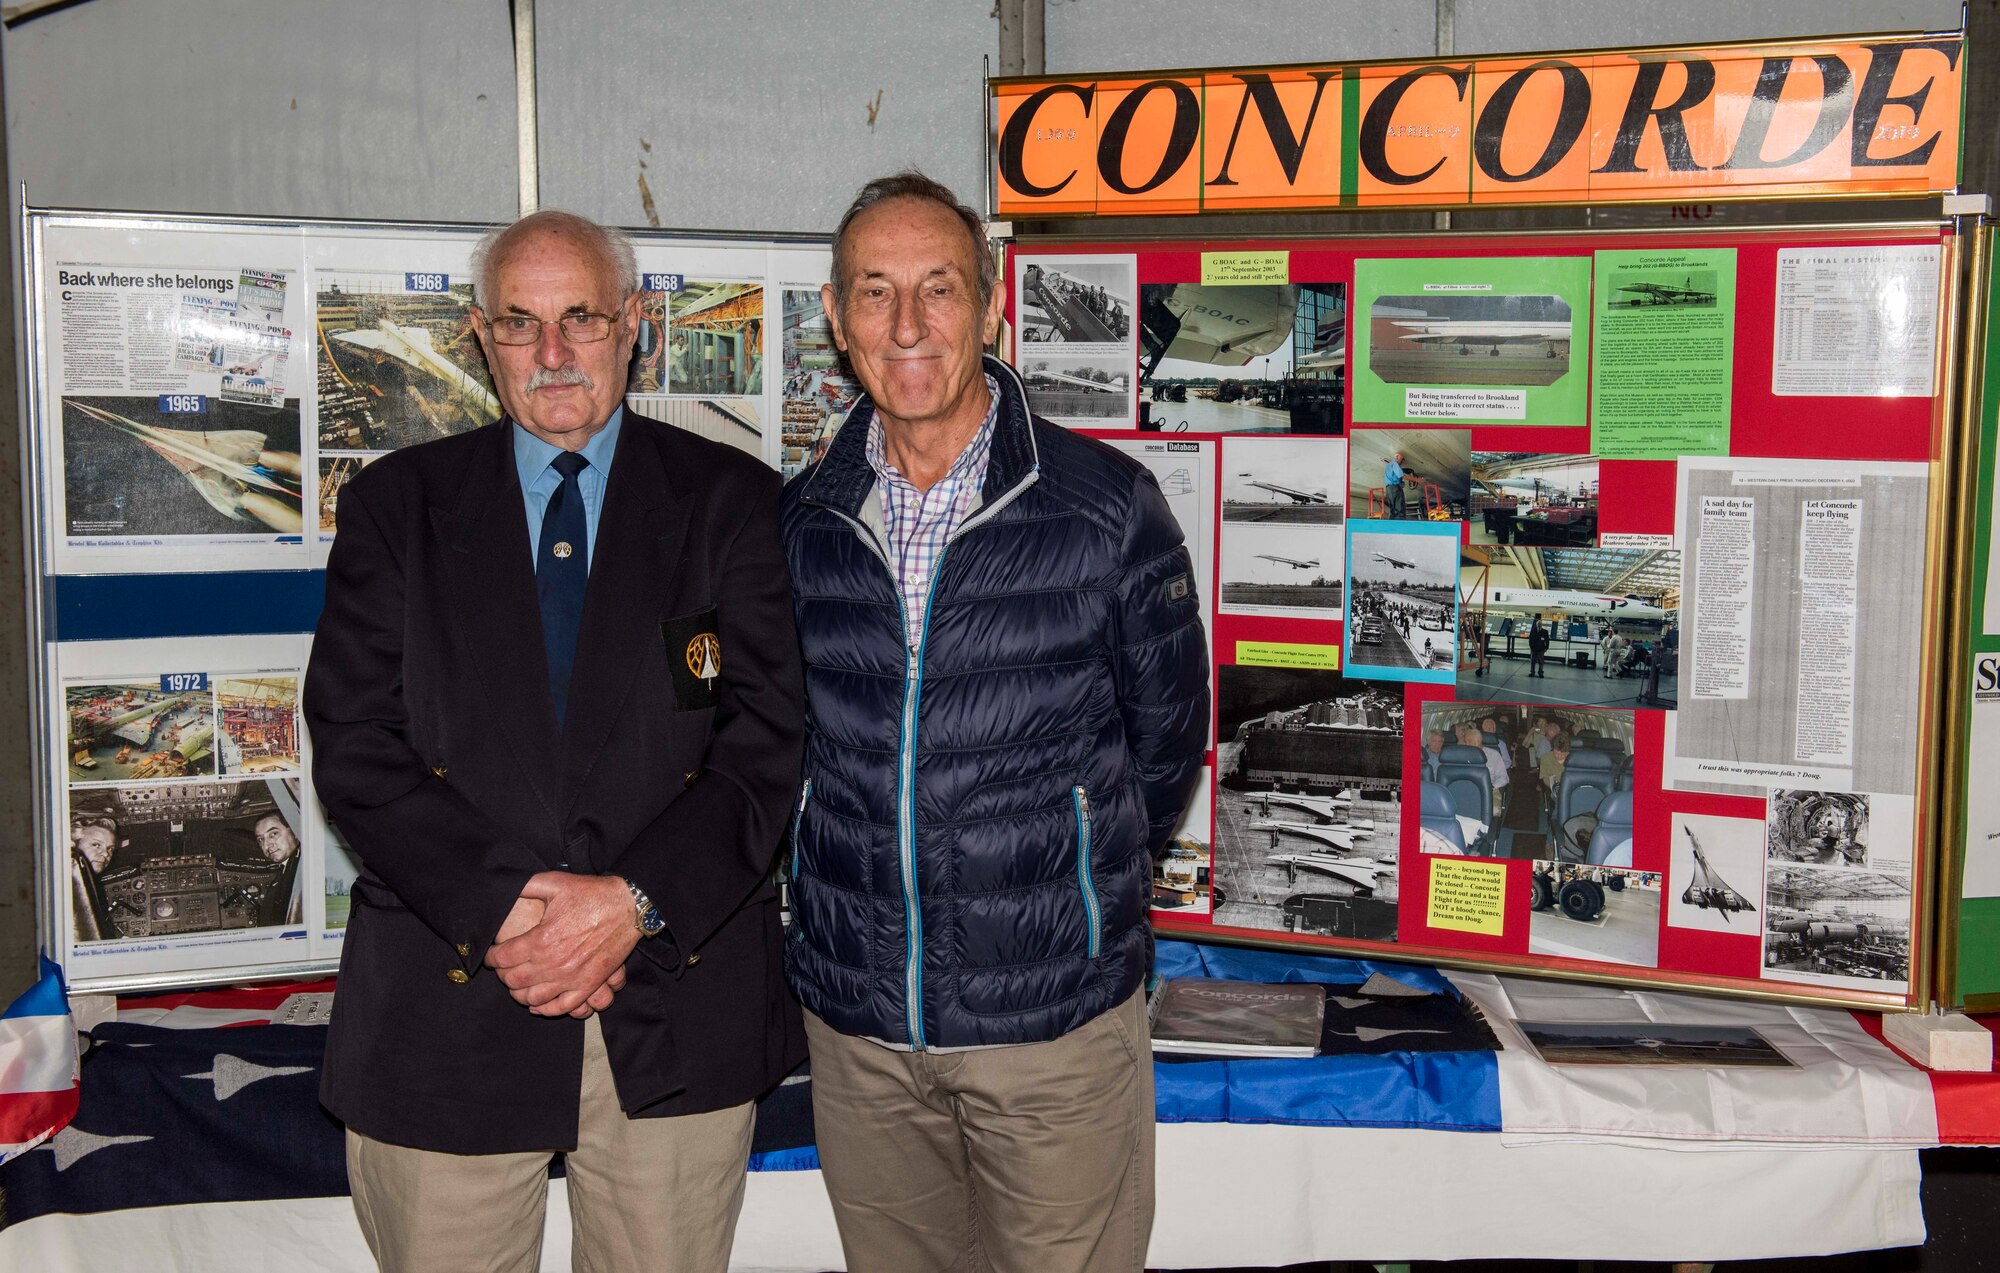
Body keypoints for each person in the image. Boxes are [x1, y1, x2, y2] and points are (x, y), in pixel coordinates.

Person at [304, 209, 806, 1272]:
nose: (552, 353)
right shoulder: (398, 508)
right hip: (452, 1004)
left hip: (671, 1001)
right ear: (479, 338)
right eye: (519, 324)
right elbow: (355, 742)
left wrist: (629, 904)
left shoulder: (731, 504)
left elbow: (762, 741)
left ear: (634, 323)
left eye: (580, 316)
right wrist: (512, 910)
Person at [781, 173, 1209, 1273]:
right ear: (834, 317)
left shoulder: (1105, 508)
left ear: (991, 301)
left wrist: (1063, 895)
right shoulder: (799, 523)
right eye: (874, 293)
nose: (908, 324)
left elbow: (1163, 750)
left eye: (938, 288)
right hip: (862, 1036)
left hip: (1052, 1035)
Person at [246, 811, 304, 926]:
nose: (267, 845)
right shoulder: (286, 870)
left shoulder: (301, 869)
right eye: (261, 839)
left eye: (273, 834)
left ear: (295, 830)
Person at [1384, 449, 1408, 520]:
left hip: (1389, 489)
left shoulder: (1388, 465)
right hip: (1395, 489)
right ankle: (1400, 526)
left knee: (1393, 510)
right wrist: (1417, 479)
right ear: (1397, 457)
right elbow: (1402, 475)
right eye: (1401, 459)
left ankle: (1393, 526)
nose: (1402, 461)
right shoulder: (1394, 464)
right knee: (1399, 509)